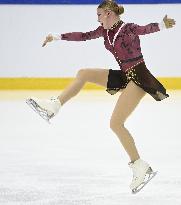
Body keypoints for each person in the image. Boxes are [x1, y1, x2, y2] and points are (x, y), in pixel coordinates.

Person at [26, 0, 176, 193]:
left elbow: (145, 29)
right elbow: (83, 36)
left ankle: (140, 166)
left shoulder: (128, 28)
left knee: (115, 124)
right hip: (124, 75)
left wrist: (162, 25)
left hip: (139, 78)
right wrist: (56, 36)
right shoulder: (105, 31)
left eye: (99, 15)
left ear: (108, 13)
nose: (97, 19)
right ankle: (54, 106)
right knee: (84, 73)